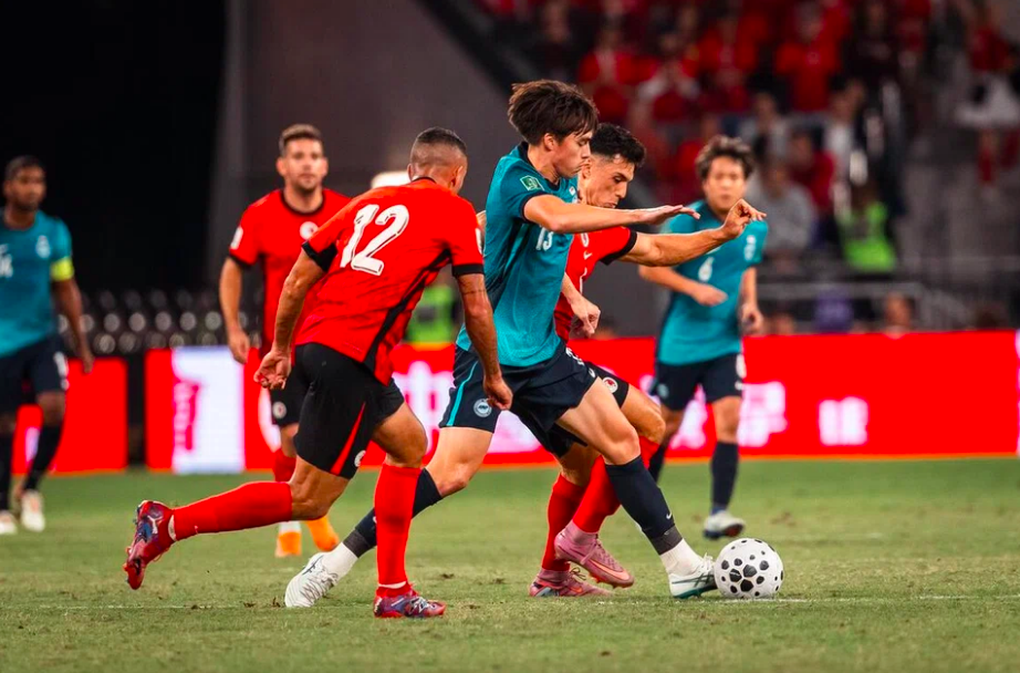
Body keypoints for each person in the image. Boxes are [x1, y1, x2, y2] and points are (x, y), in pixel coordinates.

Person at [285, 81, 745, 608]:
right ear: (552, 142)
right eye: (583, 146)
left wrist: (720, 235)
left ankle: (668, 565)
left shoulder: (578, 194)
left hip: (545, 355)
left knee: (624, 438)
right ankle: (335, 561)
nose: (587, 155)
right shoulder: (514, 178)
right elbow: (547, 221)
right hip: (491, 355)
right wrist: (638, 212)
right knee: (452, 472)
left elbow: (656, 248)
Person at [124, 128, 511, 620]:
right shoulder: (453, 210)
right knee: (307, 498)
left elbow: (297, 279)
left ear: (413, 170)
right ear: (457, 176)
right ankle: (169, 523)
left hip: (316, 345)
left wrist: (281, 348)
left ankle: (392, 587)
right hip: (354, 358)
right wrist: (494, 375)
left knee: (410, 444)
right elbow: (475, 303)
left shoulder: (363, 203)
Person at [219, 123, 349, 557]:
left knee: (318, 439)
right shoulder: (260, 214)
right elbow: (233, 268)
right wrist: (234, 327)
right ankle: (295, 526)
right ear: (282, 166)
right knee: (293, 437)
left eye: (314, 155)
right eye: (298, 156)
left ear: (325, 165)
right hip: (283, 350)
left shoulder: (345, 211)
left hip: (334, 345)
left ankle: (306, 517)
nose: (307, 163)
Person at [641, 136, 769, 541]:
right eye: (719, 177)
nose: (727, 184)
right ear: (705, 182)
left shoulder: (754, 226)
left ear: (745, 182)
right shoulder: (686, 221)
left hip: (725, 341)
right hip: (681, 342)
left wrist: (750, 305)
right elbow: (649, 269)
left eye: (735, 176)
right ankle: (639, 500)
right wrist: (693, 288)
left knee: (728, 422)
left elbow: (747, 268)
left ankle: (719, 512)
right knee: (667, 426)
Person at [0, 156, 92, 535]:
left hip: (41, 336)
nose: (32, 188)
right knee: (4, 424)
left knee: (54, 408)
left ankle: (32, 486)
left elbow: (65, 286)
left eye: (38, 181)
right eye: (24, 181)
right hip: (3, 342)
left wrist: (80, 342)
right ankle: (2, 506)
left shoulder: (53, 232)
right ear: (8, 187)